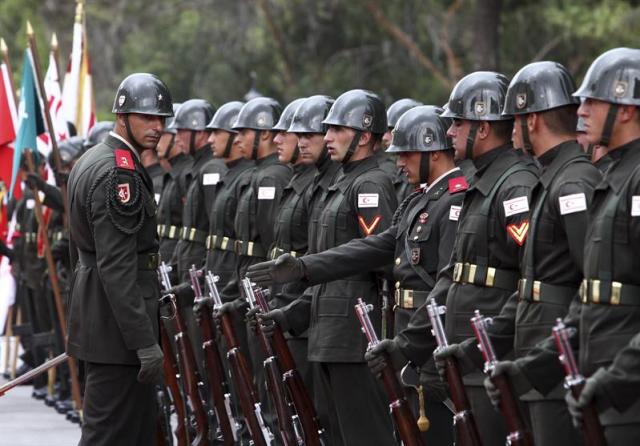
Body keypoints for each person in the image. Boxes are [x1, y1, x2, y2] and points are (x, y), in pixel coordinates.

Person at [249, 105, 461, 444]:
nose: (398, 162)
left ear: (432, 153)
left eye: (405, 154)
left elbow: (444, 282)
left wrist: (409, 346)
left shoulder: (451, 200)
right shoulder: (419, 201)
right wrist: (304, 269)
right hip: (399, 334)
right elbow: (375, 246)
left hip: (415, 337)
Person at [362, 72, 539, 445]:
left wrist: (481, 348)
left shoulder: (513, 185)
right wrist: (409, 345)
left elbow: (528, 280)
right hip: (465, 351)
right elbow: (452, 275)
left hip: (492, 353)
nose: (451, 131)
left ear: (485, 127)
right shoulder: (481, 186)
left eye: (458, 122)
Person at [436, 61, 602, 446]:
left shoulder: (572, 181)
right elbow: (532, 283)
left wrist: (546, 358)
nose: (509, 130)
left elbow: (588, 284)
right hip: (535, 351)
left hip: (556, 356)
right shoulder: (551, 178)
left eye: (515, 120)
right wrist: (479, 346)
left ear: (533, 121)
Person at [492, 47, 640, 445]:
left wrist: (620, 378)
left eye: (593, 101)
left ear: (626, 109)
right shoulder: (615, 179)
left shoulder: (616, 179)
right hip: (596, 372)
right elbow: (591, 293)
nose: (581, 110)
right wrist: (530, 368)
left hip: (626, 386)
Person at [247, 89, 398, 446]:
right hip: (328, 333)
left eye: (337, 130)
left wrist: (302, 268)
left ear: (363, 136)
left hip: (354, 335)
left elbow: (372, 256)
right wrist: (290, 315)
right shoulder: (339, 184)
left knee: (364, 436)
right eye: (326, 130)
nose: (327, 138)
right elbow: (327, 276)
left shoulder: (371, 184)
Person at [66, 73, 172, 445]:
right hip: (119, 335)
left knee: (132, 433)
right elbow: (117, 266)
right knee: (109, 435)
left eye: (162, 119)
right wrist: (143, 341)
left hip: (103, 323)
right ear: (123, 116)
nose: (157, 127)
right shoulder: (117, 173)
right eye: (148, 117)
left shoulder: (93, 159)